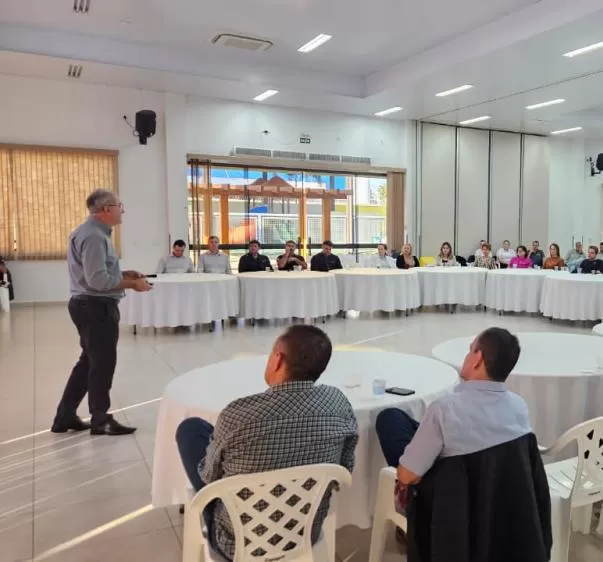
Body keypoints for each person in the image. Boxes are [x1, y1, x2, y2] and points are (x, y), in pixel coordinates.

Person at [175, 325, 358, 561]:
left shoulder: (238, 414)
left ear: (278, 360)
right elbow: (344, 469)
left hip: (236, 542)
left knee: (191, 430)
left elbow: (209, 477)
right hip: (304, 532)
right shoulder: (338, 403)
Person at [375, 327, 530, 488]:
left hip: (449, 499)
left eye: (470, 350)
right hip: (496, 494)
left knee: (389, 420)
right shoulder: (519, 407)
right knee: (397, 419)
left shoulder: (445, 410)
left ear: (478, 358)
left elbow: (407, 477)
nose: (467, 356)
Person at [52, 189, 152, 436]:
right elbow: (97, 281)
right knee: (101, 365)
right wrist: (132, 284)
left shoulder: (90, 233)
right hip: (96, 308)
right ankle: (100, 420)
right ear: (107, 209)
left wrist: (124, 275)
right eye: (120, 205)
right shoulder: (94, 236)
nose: (123, 210)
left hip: (87, 305)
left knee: (88, 362)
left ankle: (64, 416)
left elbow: (98, 274)